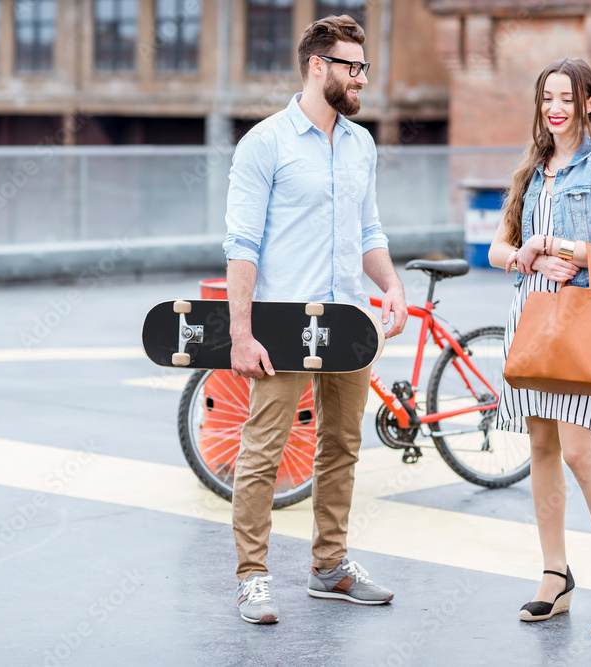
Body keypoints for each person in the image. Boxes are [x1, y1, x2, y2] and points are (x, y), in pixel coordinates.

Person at [222, 15, 407, 625]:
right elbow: (243, 245)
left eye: (364, 68)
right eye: (351, 68)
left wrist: (392, 285)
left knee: (342, 445)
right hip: (280, 325)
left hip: (349, 324)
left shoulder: (361, 144)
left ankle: (330, 568)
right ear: (317, 67)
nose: (360, 79)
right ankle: (252, 577)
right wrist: (240, 333)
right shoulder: (264, 144)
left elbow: (369, 230)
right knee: (264, 450)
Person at [488, 57, 591, 640]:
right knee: (543, 449)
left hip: (577, 320)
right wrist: (526, 252)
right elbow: (497, 250)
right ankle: (555, 575)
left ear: (589, 103)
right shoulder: (532, 167)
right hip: (531, 316)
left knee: (580, 455)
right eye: (546, 98)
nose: (555, 108)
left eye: (566, 98)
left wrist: (557, 245)